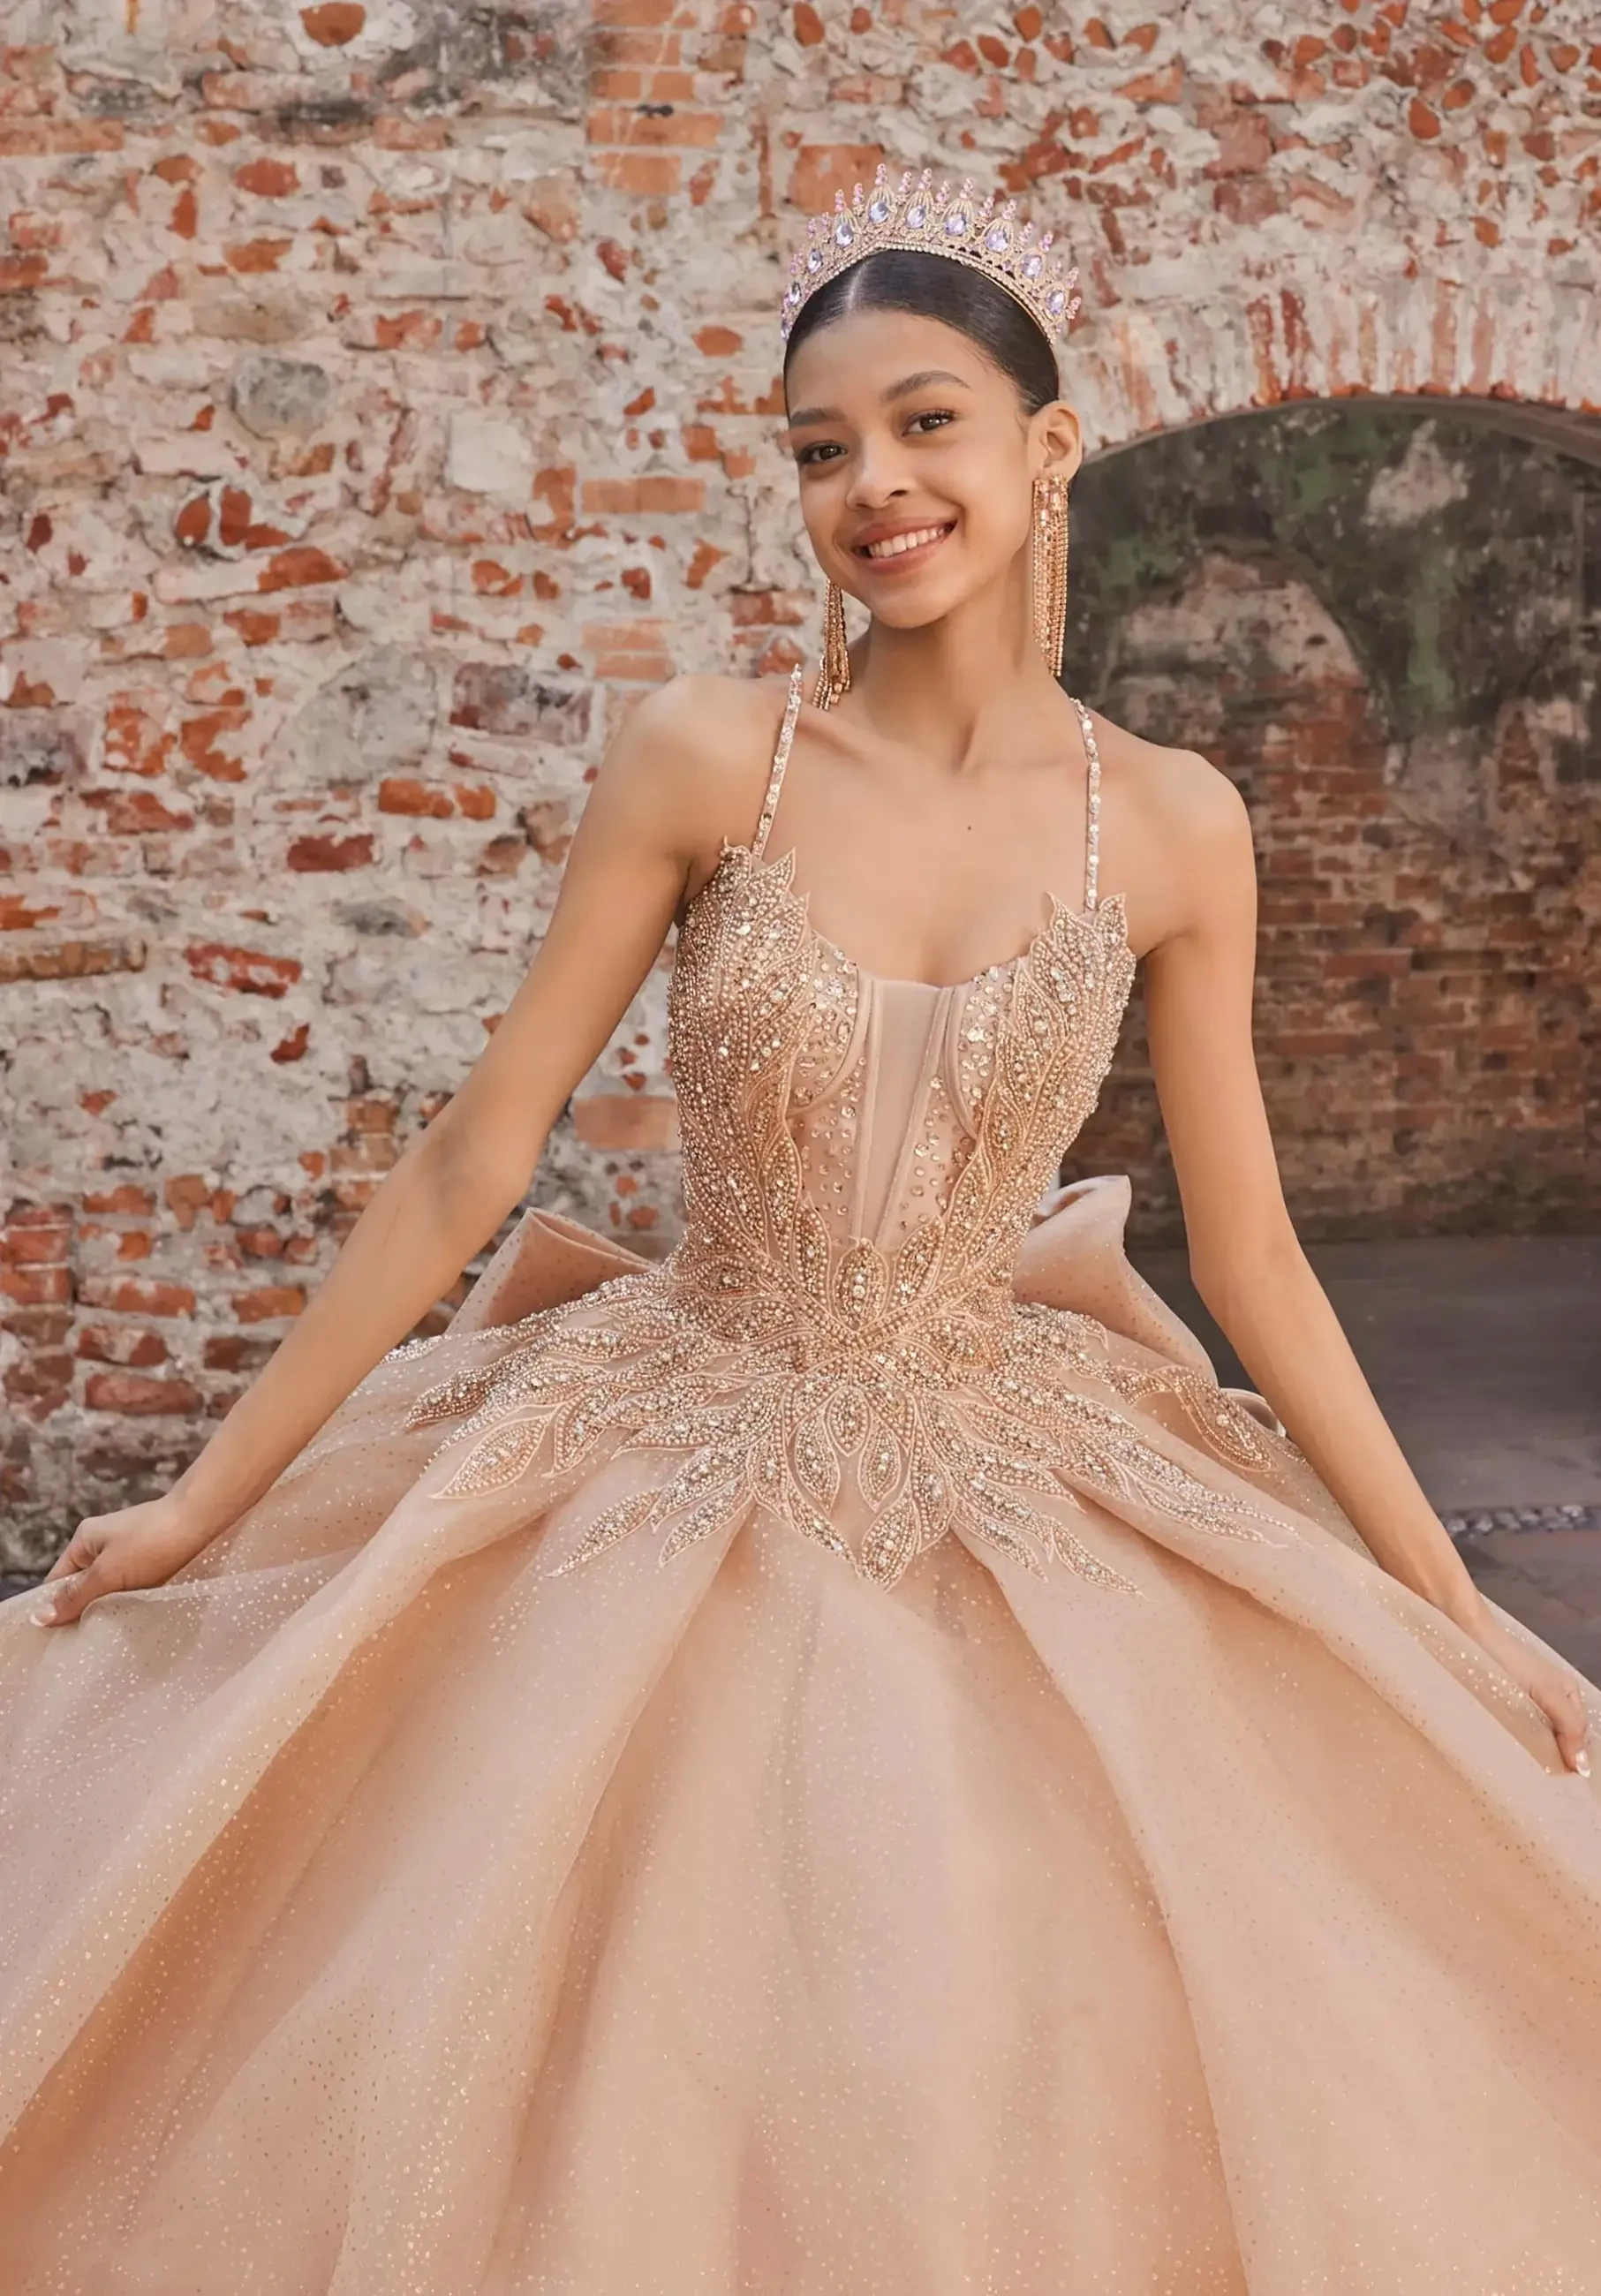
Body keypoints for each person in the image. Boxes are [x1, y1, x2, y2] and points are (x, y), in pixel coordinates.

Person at [2, 162, 1598, 2294]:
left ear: (1045, 451)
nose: (875, 486)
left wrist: (1451, 1608)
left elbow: (1263, 1258)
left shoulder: (1179, 821)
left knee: (1028, 1987)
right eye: (822, 448)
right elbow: (476, 1161)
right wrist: (204, 1506)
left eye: (929, 422)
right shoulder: (710, 758)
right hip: (678, 1430)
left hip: (1015, 1446)